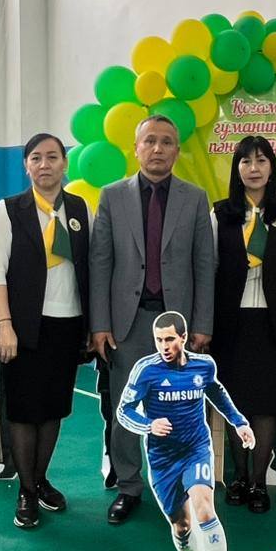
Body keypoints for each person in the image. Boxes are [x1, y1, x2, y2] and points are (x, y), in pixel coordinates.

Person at [90, 115, 215, 524]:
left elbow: (204, 264)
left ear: (177, 150)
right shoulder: (112, 197)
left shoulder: (195, 198)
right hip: (127, 325)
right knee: (126, 410)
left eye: (166, 142)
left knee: (181, 412)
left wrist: (202, 324)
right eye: (150, 141)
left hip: (178, 326)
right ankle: (128, 486)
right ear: (136, 148)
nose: (158, 148)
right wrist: (100, 324)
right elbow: (100, 263)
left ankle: (177, 488)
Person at [0, 132, 91, 529]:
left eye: (52, 157)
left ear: (65, 163)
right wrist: (5, 326)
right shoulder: (9, 210)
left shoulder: (79, 208)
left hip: (68, 324)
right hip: (24, 327)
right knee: (24, 410)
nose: (44, 164)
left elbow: (90, 268)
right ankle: (26, 490)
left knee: (54, 408)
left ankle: (41, 478)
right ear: (26, 165)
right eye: (36, 158)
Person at [116, 312, 253, 551]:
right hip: (162, 458)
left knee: (204, 508)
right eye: (158, 340)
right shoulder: (145, 370)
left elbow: (216, 391)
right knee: (182, 525)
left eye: (169, 339)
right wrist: (148, 425)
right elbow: (123, 411)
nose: (164, 346)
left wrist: (239, 422)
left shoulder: (204, 366)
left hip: (195, 448)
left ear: (183, 337)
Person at [211, 136, 276, 513]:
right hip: (230, 323)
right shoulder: (220, 214)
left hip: (275, 323)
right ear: (236, 169)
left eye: (261, 160)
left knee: (268, 405)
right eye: (245, 161)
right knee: (235, 404)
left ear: (272, 167)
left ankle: (258, 481)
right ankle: (238, 476)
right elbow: (209, 271)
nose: (253, 168)